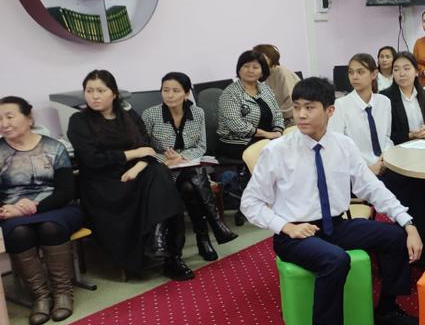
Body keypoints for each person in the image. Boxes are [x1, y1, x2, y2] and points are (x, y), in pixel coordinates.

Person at [240, 77, 424, 325]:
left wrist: (408, 223)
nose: (301, 115)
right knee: (335, 260)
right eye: (297, 108)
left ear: (330, 111)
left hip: (336, 225)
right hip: (294, 234)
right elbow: (250, 203)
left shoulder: (343, 145)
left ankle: (387, 309)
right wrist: (285, 226)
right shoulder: (277, 151)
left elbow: (371, 187)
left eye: (309, 108)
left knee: (393, 236)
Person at [67, 70, 191, 280]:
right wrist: (133, 154)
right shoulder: (79, 120)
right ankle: (165, 251)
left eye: (101, 91)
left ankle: (168, 252)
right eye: (89, 91)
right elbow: (93, 160)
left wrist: (138, 166)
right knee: (161, 180)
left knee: (159, 174)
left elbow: (148, 148)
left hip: (134, 175)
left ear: (114, 93)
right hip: (104, 184)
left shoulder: (128, 115)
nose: (94, 96)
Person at [0, 96, 84, 325]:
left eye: (10, 116)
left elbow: (66, 192)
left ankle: (63, 293)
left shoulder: (54, 147)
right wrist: (9, 209)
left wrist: (31, 208)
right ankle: (41, 297)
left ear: (29, 118)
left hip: (58, 208)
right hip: (12, 213)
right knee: (19, 233)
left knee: (50, 227)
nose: (4, 123)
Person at [142, 72, 238, 262]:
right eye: (165, 90)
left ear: (186, 93)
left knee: (190, 185)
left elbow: (201, 146)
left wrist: (182, 157)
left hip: (187, 167)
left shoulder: (197, 113)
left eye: (175, 91)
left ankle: (200, 240)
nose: (169, 95)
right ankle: (212, 231)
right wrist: (166, 159)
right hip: (163, 171)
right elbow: (144, 148)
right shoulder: (150, 115)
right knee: (193, 183)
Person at [380, 51, 425, 265]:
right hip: (398, 163)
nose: (401, 73)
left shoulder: (423, 94)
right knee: (417, 196)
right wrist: (410, 135)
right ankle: (412, 251)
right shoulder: (385, 98)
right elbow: (386, 134)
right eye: (396, 69)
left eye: (406, 68)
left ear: (416, 71)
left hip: (424, 158)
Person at [327, 53, 394, 175]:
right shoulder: (341, 105)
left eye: (360, 72)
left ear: (374, 74)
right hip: (357, 172)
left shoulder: (384, 102)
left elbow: (386, 138)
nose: (354, 77)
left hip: (386, 164)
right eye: (351, 72)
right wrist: (368, 170)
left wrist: (384, 159)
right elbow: (337, 148)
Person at [217, 50, 284, 161]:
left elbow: (277, 114)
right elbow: (236, 125)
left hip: (265, 139)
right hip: (236, 142)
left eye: (255, 67)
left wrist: (277, 131)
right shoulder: (230, 93)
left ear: (262, 72)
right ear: (239, 70)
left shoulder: (265, 89)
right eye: (246, 66)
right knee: (274, 153)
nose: (250, 70)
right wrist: (266, 134)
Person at [252, 44, 301, 128]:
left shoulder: (281, 72)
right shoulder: (264, 76)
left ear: (271, 58)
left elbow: (292, 104)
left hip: (292, 122)